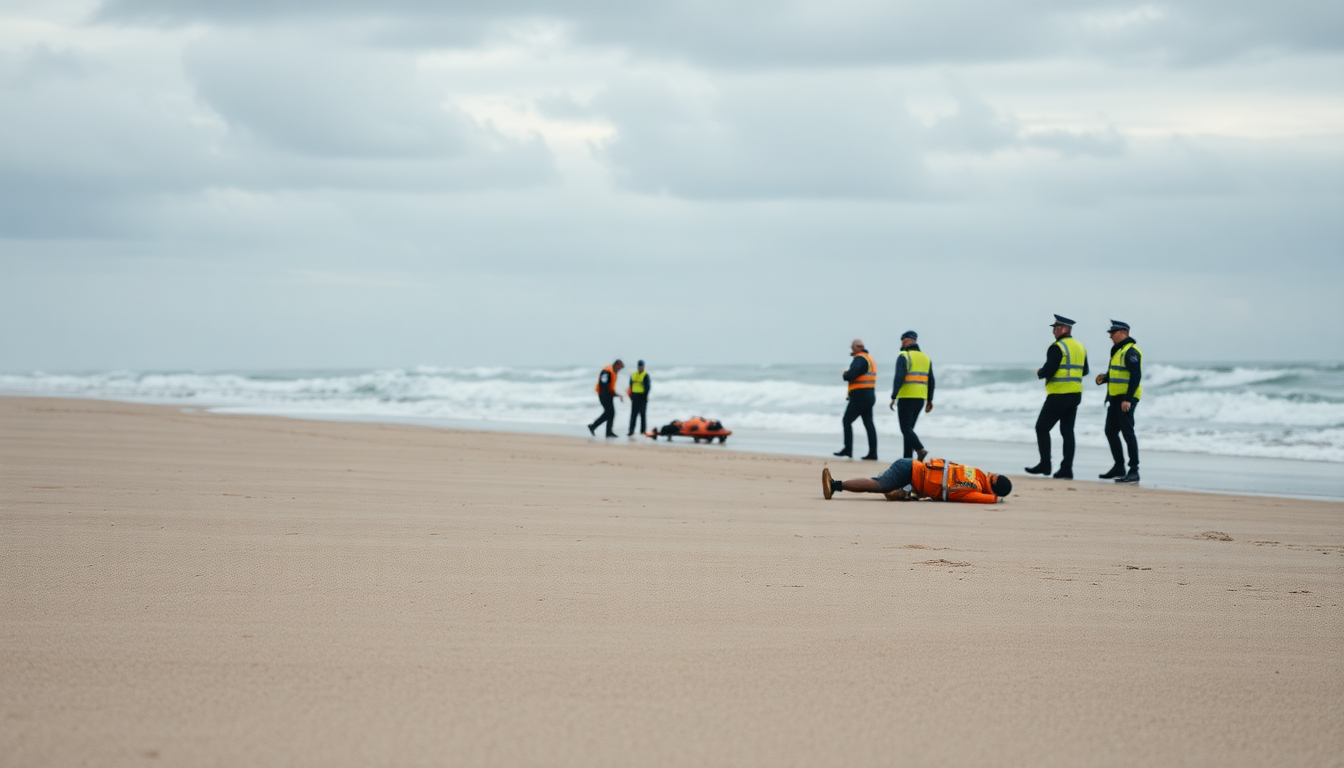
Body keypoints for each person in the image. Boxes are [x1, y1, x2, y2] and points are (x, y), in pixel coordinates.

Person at [1026, 315, 1088, 480]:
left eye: (1056, 327)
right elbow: (1085, 370)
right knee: (1067, 432)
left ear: (1065, 329)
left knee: (1042, 428)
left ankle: (1045, 465)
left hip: (1059, 394)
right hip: (1075, 394)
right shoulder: (1080, 347)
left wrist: (1040, 372)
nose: (1053, 330)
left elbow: (1049, 370)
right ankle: (1066, 469)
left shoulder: (1057, 347)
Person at [821, 457, 1012, 503]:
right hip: (911, 472)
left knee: (885, 488)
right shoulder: (974, 490)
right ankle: (835, 485)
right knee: (878, 486)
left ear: (992, 479)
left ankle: (896, 490)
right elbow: (985, 499)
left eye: (993, 476)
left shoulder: (976, 474)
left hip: (913, 470)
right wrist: (997, 498)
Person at [1095, 320, 1142, 484]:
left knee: (1128, 433)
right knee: (1110, 431)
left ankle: (1134, 470)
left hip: (1125, 399)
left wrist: (1127, 399)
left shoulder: (1130, 351)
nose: (1110, 336)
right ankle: (1119, 466)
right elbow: (1118, 374)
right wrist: (1105, 379)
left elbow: (1135, 376)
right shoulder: (1118, 351)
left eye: (1112, 333)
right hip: (1115, 398)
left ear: (1122, 333)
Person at [888, 330, 933, 461]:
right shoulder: (926, 358)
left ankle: (920, 449)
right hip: (920, 399)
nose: (901, 344)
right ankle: (907, 459)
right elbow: (931, 380)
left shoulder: (904, 356)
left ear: (907, 341)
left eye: (902, 341)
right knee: (909, 430)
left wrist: (893, 396)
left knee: (906, 429)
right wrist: (930, 399)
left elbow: (899, 377)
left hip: (906, 397)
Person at [836, 338, 878, 460]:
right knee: (869, 424)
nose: (851, 350)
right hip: (869, 395)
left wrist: (845, 373)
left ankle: (848, 449)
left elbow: (850, 375)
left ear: (855, 348)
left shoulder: (859, 359)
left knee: (847, 420)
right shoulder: (869, 359)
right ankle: (873, 452)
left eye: (852, 347)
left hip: (860, 396)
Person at [587, 359, 624, 438]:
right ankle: (594, 426)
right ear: (616, 365)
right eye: (620, 367)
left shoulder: (614, 372)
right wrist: (606, 395)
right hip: (603, 394)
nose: (620, 370)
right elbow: (603, 384)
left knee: (610, 413)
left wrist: (617, 395)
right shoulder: (606, 371)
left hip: (608, 395)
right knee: (609, 413)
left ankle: (607, 431)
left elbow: (611, 387)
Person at [627, 360, 651, 437]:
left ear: (643, 367)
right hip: (635, 396)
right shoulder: (633, 375)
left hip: (642, 397)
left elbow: (648, 387)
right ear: (638, 367)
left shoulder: (645, 375)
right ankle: (631, 431)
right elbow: (630, 386)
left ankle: (643, 431)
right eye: (639, 366)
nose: (640, 368)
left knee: (642, 415)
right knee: (633, 415)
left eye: (642, 366)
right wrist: (630, 395)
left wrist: (645, 396)